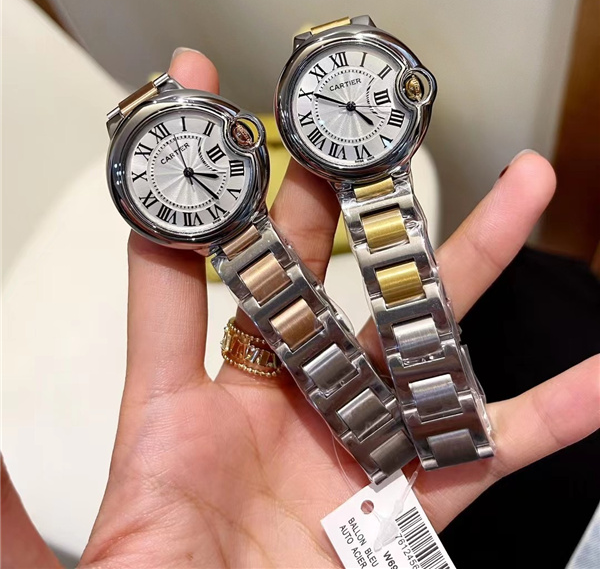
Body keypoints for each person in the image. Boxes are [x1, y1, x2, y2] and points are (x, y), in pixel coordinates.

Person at [3, 49, 599, 569]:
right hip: (241, 246)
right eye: (178, 171)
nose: (188, 170)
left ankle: (429, 433)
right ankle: (411, 438)